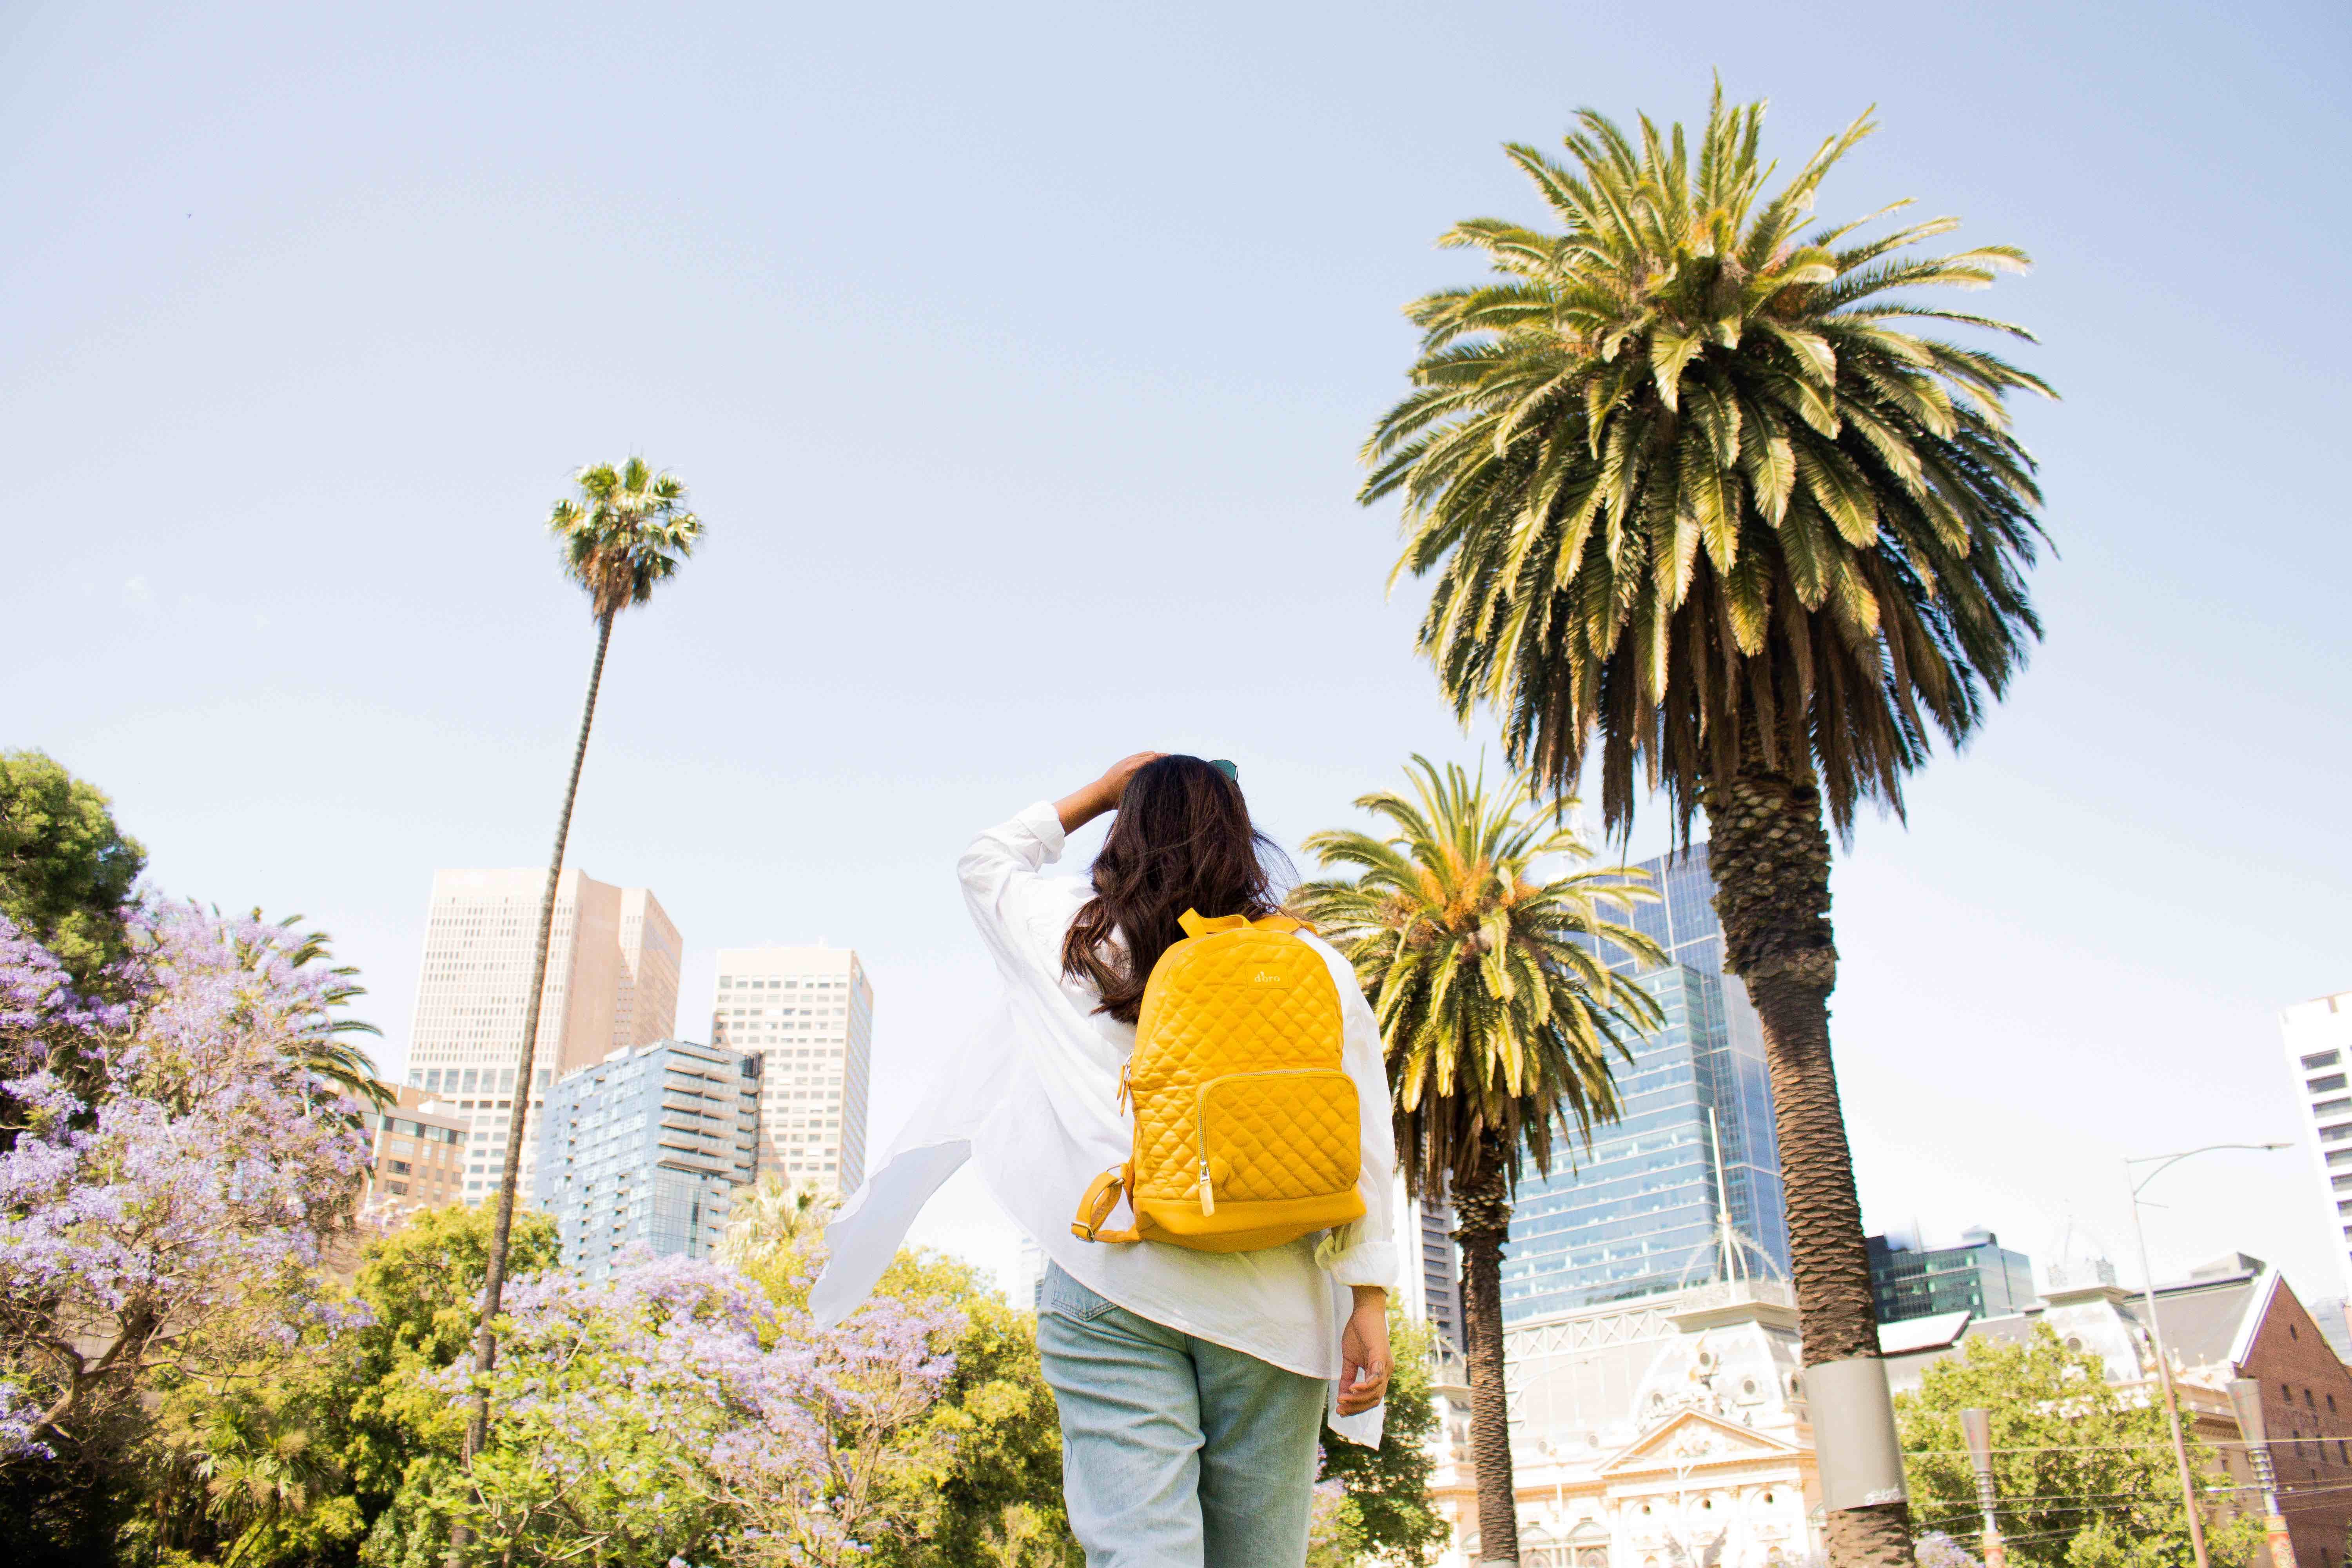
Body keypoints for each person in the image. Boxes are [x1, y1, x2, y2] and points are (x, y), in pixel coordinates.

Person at [813, 753, 1398, 1568]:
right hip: (1271, 1300)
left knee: (1139, 1552)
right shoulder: (1312, 964)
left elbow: (985, 858)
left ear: (1126, 832)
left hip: (1110, 1279)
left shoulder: (1073, 935)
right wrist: (1367, 1299)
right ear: (1241, 839)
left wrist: (1102, 788)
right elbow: (1366, 1141)